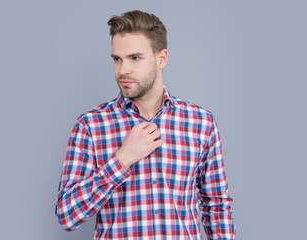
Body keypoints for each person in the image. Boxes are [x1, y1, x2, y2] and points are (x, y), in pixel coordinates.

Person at [55, 10, 236, 240]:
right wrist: (121, 160)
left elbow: (217, 206)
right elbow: (66, 216)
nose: (123, 70)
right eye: (117, 59)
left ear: (161, 58)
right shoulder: (90, 126)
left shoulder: (201, 124)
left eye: (135, 58)